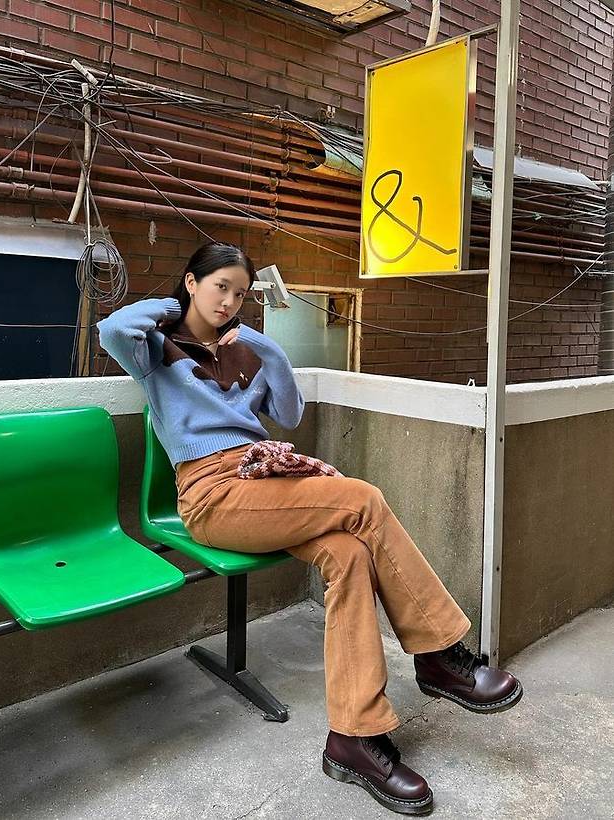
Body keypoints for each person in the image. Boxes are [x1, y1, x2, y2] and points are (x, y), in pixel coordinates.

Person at [97, 242, 523, 816]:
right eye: (220, 286)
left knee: (349, 555)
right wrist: (179, 309)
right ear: (193, 282)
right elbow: (111, 328)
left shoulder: (246, 348)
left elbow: (290, 414)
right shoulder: (155, 348)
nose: (230, 301)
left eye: (240, 293)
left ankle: (353, 738)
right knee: (363, 500)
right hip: (210, 494)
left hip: (263, 476)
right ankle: (440, 654)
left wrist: (265, 346)